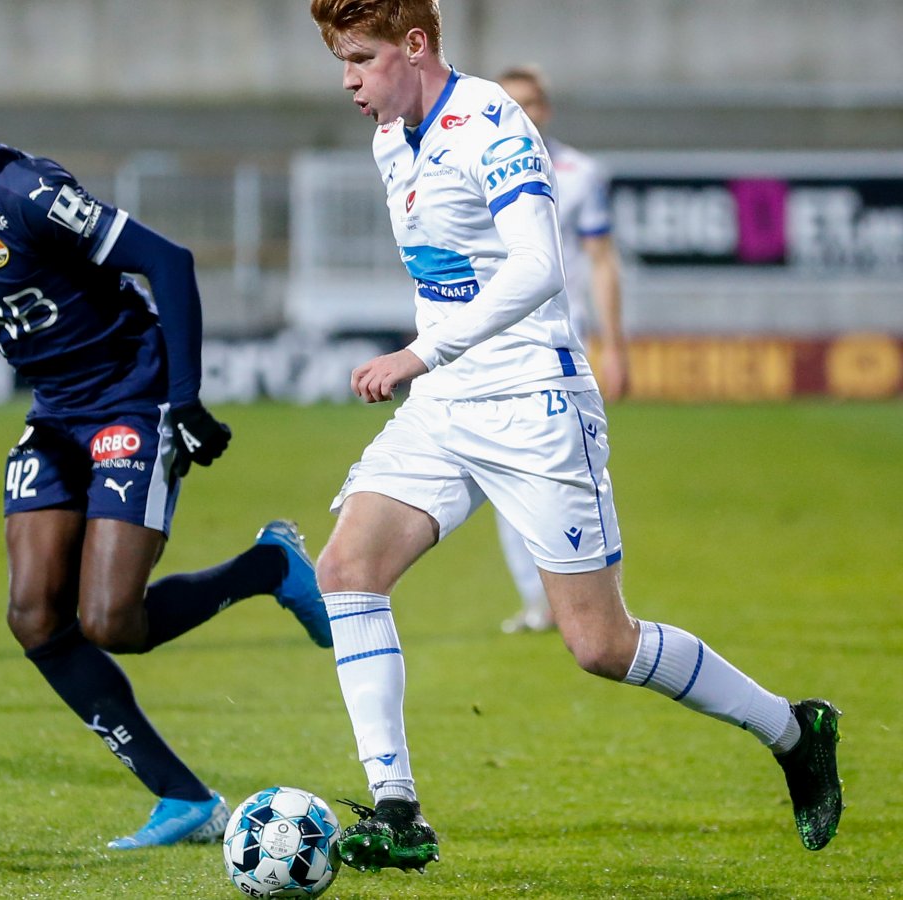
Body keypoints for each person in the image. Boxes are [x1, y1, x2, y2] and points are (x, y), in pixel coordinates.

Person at [305, 0, 842, 874]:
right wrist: (432, 364)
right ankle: (398, 808)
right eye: (342, 61)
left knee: (601, 644)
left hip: (534, 402)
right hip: (447, 404)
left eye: (361, 58)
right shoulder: (390, 140)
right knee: (346, 570)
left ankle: (793, 730)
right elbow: (451, 273)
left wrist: (417, 353)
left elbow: (538, 265)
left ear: (416, 45)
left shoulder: (491, 122)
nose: (348, 80)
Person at [0, 61, 332, 850]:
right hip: (56, 415)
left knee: (111, 621)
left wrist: (185, 400)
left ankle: (269, 567)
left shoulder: (31, 196)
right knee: (33, 616)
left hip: (132, 398)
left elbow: (170, 262)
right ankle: (183, 798)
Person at [491, 64, 630, 634]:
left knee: (566, 468)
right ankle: (539, 600)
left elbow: (601, 261)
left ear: (544, 109)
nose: (521, 114)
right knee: (503, 468)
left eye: (529, 103)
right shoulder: (474, 168)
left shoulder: (579, 173)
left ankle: (590, 594)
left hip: (559, 343)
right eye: (509, 104)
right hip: (497, 342)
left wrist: (613, 345)